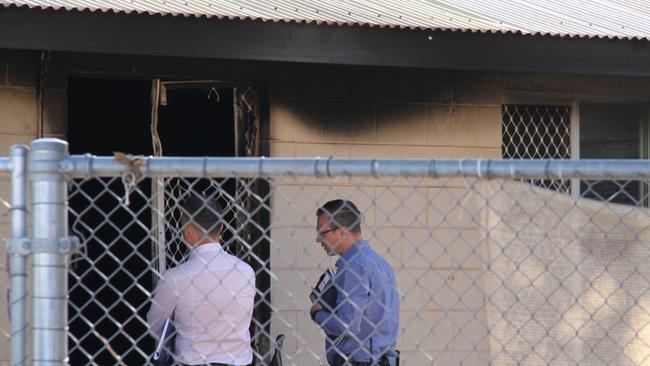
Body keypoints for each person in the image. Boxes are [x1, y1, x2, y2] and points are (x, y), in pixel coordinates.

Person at [147, 193, 255, 366]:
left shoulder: (175, 278)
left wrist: (179, 318)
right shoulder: (246, 271)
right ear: (221, 227)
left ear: (188, 232)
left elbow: (155, 325)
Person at [310, 199, 399, 366]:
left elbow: (348, 326)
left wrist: (317, 313)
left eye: (323, 233)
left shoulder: (355, 267)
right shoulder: (379, 262)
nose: (318, 240)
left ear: (342, 232)